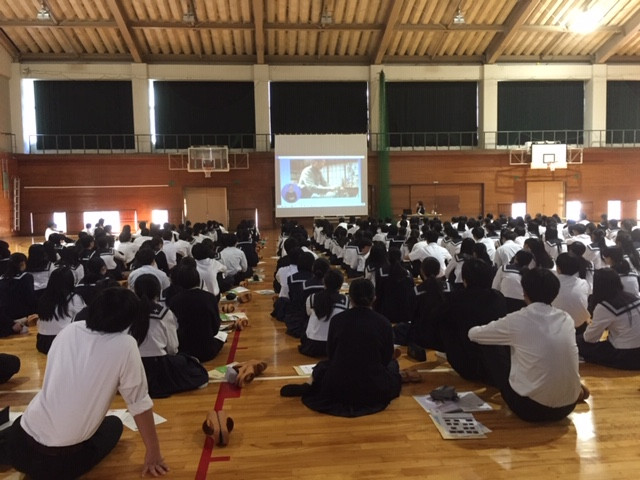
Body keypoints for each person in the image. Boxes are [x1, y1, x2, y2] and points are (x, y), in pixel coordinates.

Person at [2, 287, 169, 478]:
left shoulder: (70, 330)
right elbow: (139, 404)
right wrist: (153, 452)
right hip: (59, 462)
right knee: (114, 424)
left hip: (19, 443)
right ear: (129, 320)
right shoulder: (125, 344)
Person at [469, 268, 588, 423]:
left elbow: (474, 334)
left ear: (524, 292)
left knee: (489, 343)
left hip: (531, 409)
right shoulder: (566, 318)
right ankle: (572, 389)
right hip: (567, 407)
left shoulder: (517, 319)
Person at [280, 278, 402, 418]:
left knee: (323, 367)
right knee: (393, 366)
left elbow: (331, 353)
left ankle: (310, 385)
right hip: (371, 386)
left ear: (350, 298)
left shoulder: (338, 320)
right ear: (374, 298)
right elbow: (386, 359)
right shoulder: (384, 323)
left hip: (338, 384)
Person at [133, 274, 209, 398]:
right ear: (158, 291)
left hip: (134, 366)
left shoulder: (127, 312)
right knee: (196, 369)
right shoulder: (164, 313)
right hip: (159, 365)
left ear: (135, 291)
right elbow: (173, 349)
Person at [439, 258, 507, 384]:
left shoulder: (455, 298)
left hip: (466, 365)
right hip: (497, 366)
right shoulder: (498, 297)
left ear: (464, 280)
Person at [577, 269, 640, 370]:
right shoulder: (633, 297)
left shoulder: (605, 307)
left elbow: (590, 338)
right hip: (635, 351)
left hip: (626, 355)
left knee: (578, 341)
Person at [298, 269, 349, 358]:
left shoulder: (312, 298)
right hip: (334, 346)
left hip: (312, 345)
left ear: (324, 282)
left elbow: (308, 314)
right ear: (341, 285)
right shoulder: (346, 300)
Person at [36, 267, 86, 354]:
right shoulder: (74, 298)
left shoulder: (43, 298)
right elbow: (84, 317)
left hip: (42, 342)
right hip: (63, 342)